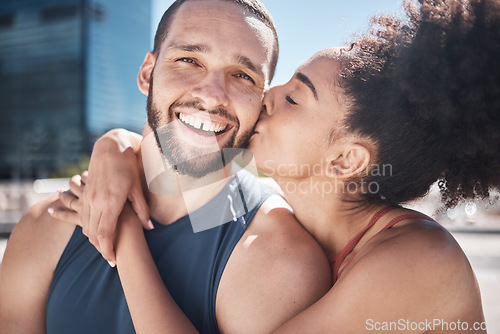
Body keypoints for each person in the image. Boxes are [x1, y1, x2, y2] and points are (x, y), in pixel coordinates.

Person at [53, 0, 499, 332]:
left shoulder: (417, 261)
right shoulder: (298, 221)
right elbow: (182, 150)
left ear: (345, 159)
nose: (262, 97)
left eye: (292, 97)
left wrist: (123, 232)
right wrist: (117, 145)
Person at [0, 0, 332, 333]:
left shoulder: (282, 260)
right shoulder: (45, 227)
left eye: (243, 76)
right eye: (189, 60)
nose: (213, 96)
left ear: (261, 103)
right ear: (147, 74)